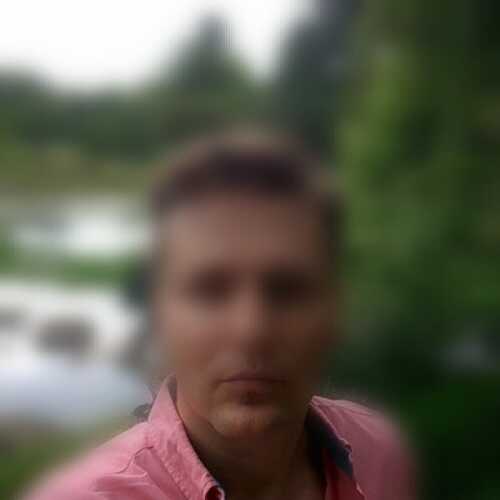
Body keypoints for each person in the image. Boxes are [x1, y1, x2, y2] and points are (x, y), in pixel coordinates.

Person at [25, 130, 415, 500]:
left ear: (335, 309)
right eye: (210, 290)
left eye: (287, 289)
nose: (252, 330)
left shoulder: (379, 452)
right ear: (159, 315)